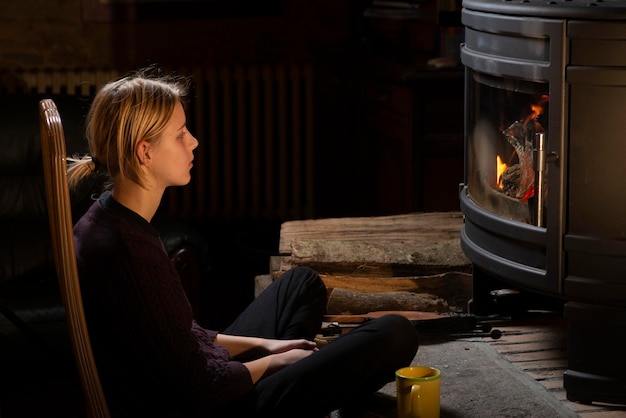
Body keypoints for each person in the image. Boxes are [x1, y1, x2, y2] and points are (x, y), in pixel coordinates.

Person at [68, 68, 420, 418]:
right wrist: (276, 363)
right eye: (180, 134)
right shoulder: (130, 254)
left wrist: (268, 345)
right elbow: (204, 387)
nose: (193, 141)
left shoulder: (106, 218)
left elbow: (183, 337)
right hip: (208, 403)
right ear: (145, 152)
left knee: (301, 284)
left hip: (194, 378)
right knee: (395, 333)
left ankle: (310, 385)